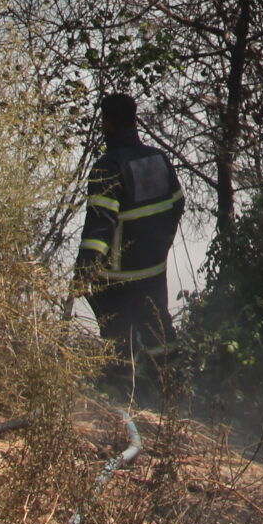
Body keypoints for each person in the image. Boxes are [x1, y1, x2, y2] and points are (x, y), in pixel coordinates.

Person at [73, 94, 183, 398]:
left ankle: (120, 398)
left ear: (106, 124)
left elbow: (99, 228)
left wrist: (84, 272)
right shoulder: (158, 159)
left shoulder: (108, 167)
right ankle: (175, 394)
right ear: (135, 120)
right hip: (154, 268)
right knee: (159, 331)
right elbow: (177, 205)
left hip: (118, 278)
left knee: (117, 339)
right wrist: (160, 245)